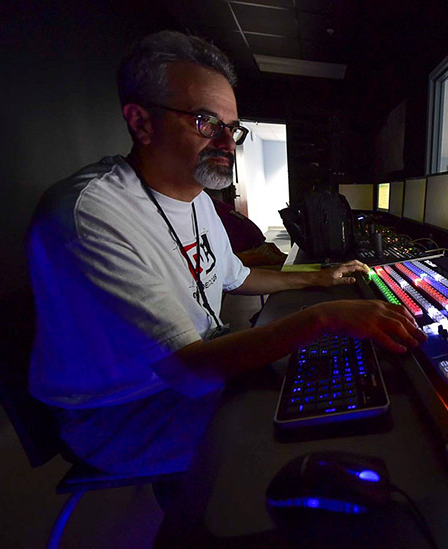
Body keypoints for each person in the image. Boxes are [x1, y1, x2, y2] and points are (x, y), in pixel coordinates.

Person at [25, 30, 425, 475]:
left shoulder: (196, 197)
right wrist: (323, 316)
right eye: (204, 122)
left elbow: (236, 277)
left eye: (232, 128)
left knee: (331, 382)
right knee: (309, 427)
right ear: (141, 123)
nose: (227, 143)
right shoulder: (89, 214)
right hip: (122, 412)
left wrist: (320, 278)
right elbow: (190, 367)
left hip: (192, 366)